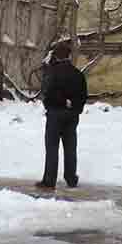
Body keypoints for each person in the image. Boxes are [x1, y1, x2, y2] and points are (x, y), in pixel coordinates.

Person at [37, 41, 87, 191]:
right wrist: (75, 107)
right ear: (69, 56)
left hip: (55, 114)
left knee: (52, 147)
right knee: (70, 147)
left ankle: (49, 180)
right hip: (71, 116)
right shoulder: (78, 74)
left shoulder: (52, 73)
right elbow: (83, 95)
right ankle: (71, 178)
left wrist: (56, 104)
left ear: (56, 57)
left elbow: (47, 93)